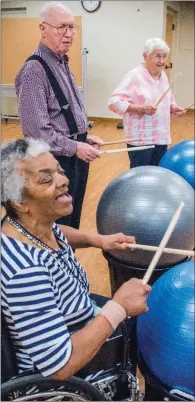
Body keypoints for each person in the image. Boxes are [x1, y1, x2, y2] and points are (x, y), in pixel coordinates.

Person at [1, 138, 151, 381]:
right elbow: (59, 367)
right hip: (71, 375)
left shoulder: (27, 225)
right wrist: (119, 307)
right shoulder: (26, 273)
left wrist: (97, 239)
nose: (63, 180)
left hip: (78, 319)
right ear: (19, 201)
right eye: (46, 179)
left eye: (59, 170)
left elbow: (59, 234)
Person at [15, 2, 103, 230]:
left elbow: (63, 114)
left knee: (71, 218)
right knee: (58, 224)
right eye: (62, 27)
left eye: (72, 28)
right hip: (56, 163)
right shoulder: (35, 70)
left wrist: (82, 137)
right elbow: (36, 132)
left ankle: (67, 259)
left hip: (72, 156)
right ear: (43, 29)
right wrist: (74, 146)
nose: (69, 34)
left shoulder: (61, 62)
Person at [108, 38, 186, 168]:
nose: (161, 61)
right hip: (140, 140)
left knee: (157, 175)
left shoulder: (163, 76)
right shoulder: (134, 76)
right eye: (157, 56)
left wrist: (173, 107)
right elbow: (114, 103)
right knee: (141, 178)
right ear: (145, 56)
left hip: (161, 137)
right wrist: (140, 109)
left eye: (164, 56)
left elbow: (168, 97)